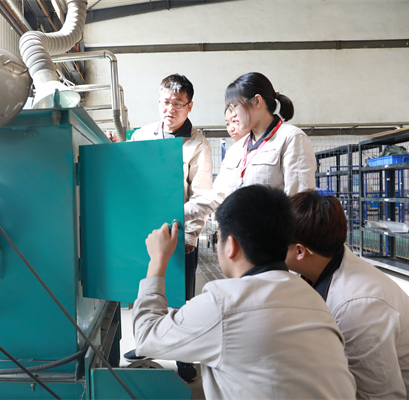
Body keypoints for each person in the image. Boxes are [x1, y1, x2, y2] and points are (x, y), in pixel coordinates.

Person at [133, 185, 356, 399]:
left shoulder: (224, 303)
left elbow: (146, 336)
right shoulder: (312, 298)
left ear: (231, 245)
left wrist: (157, 260)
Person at [286, 190, 409, 399]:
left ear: (300, 251)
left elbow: (381, 395)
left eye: (276, 241)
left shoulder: (357, 306)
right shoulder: (325, 262)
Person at [117, 74, 213, 382]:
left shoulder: (198, 144)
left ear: (189, 106)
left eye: (177, 104)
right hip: (147, 232)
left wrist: (189, 236)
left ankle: (184, 355)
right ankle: (145, 345)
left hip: (178, 233)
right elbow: (130, 178)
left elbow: (201, 195)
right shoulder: (142, 135)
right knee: (146, 289)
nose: (170, 109)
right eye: (165, 102)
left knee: (181, 298)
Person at [184, 72, 316, 221]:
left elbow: (299, 204)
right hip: (237, 233)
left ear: (257, 101)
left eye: (234, 106)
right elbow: (216, 196)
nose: (232, 114)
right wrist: (176, 213)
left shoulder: (291, 138)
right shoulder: (236, 150)